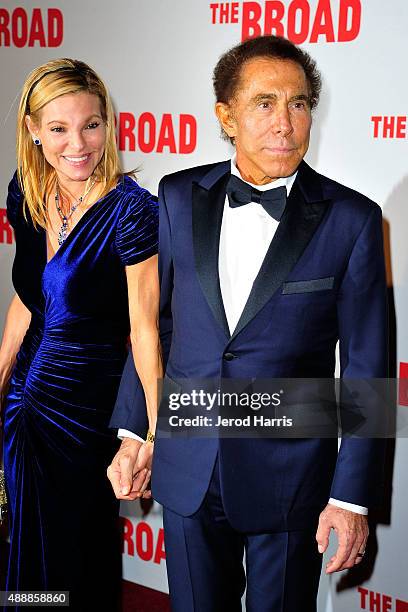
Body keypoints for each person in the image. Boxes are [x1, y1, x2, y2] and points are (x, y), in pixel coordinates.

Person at [108, 36, 388, 611]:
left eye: (300, 103)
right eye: (265, 103)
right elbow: (157, 327)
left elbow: (367, 367)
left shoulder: (353, 220)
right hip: (187, 467)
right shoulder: (179, 196)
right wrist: (135, 431)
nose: (286, 123)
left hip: (290, 481)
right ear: (226, 116)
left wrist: (352, 499)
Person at [0, 58, 159, 611]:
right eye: (59, 128)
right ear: (33, 130)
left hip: (87, 411)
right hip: (24, 402)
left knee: (78, 549)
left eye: (91, 125)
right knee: (26, 543)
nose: (78, 144)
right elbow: (30, 292)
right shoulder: (26, 192)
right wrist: (0, 378)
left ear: (108, 125)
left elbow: (146, 331)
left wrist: (152, 435)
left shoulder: (133, 212)